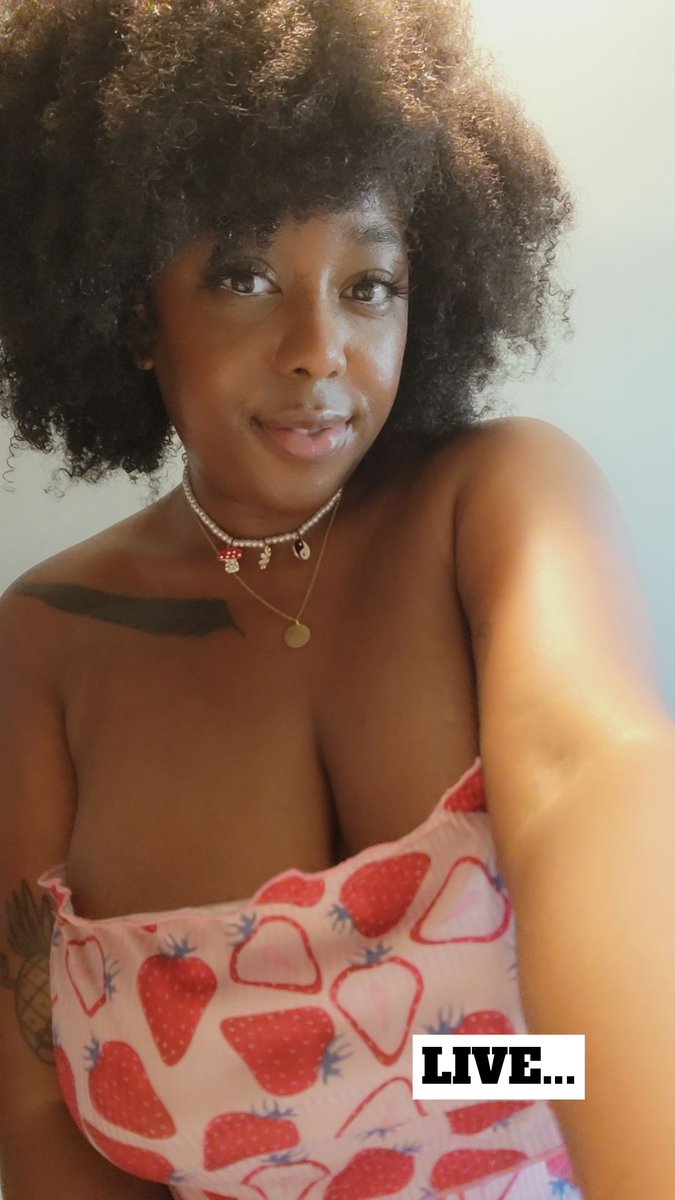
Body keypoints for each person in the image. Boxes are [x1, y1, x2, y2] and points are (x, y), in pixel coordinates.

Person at [0, 1, 674, 1198]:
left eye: (370, 284)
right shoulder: (42, 645)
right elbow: (38, 1108)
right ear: (131, 312)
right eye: (245, 276)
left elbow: (593, 771)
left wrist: (449, 1081)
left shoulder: (495, 503)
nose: (321, 348)